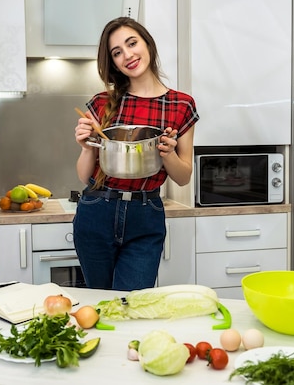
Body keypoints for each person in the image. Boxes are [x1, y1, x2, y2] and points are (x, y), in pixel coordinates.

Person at [73, 17, 199, 291]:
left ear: (147, 44)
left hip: (146, 213)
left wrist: (167, 154)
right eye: (117, 52)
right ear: (113, 62)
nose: (127, 55)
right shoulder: (102, 103)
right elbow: (85, 176)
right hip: (96, 209)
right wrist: (85, 148)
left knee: (132, 304)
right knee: (99, 304)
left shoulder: (181, 105)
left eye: (132, 43)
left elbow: (184, 176)